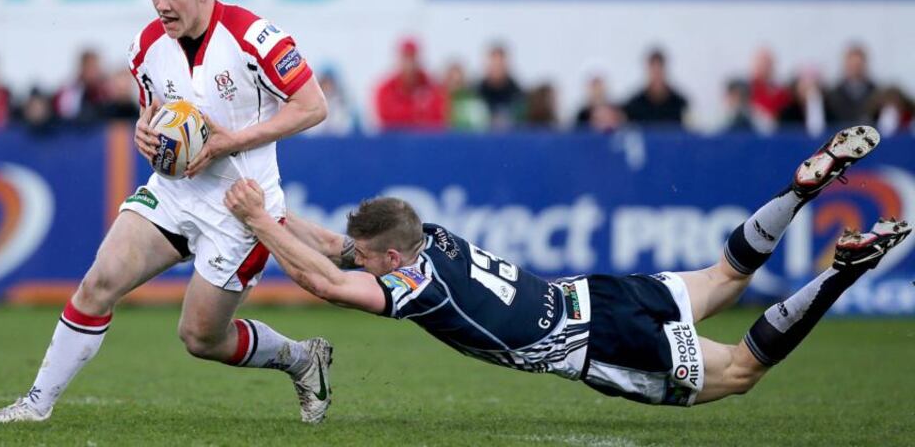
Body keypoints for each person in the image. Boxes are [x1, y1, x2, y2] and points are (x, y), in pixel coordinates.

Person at [225, 126, 910, 409]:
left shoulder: (414, 284)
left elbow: (325, 280)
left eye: (376, 262)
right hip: (593, 295)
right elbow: (343, 254)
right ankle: (799, 193)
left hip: (599, 344)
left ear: (396, 261)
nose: (366, 265)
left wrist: (260, 224)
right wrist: (277, 217)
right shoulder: (429, 236)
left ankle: (843, 270)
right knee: (724, 276)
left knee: (742, 372)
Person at [0, 0, 333, 425]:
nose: (161, 5)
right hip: (176, 194)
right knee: (99, 281)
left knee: (200, 338)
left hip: (242, 206)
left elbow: (313, 107)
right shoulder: (145, 47)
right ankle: (35, 406)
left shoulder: (256, 38)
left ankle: (300, 358)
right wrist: (145, 133)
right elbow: (154, 116)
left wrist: (231, 141)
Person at [374, 37, 448, 131]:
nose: (410, 64)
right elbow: (389, 120)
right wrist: (418, 112)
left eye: (412, 58)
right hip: (395, 143)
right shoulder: (385, 89)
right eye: (406, 58)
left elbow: (438, 119)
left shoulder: (432, 86)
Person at [622, 48, 688, 127]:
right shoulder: (635, 105)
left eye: (659, 70)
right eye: (653, 70)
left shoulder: (679, 104)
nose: (656, 75)